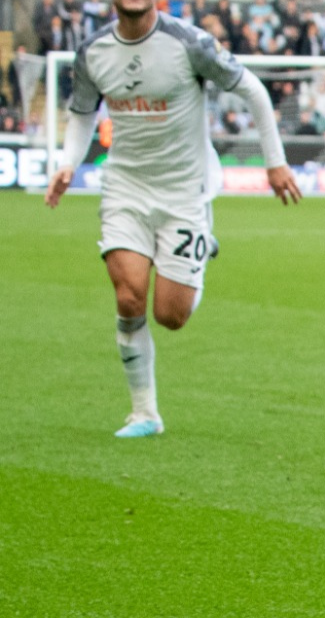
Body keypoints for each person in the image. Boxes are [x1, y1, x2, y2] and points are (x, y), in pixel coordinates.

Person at [44, 0, 300, 439]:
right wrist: (69, 161)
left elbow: (254, 89)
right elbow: (83, 112)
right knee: (128, 298)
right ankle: (144, 413)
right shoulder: (92, 51)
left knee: (170, 314)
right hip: (125, 187)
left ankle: (201, 249)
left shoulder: (190, 43)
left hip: (184, 192)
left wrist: (275, 163)